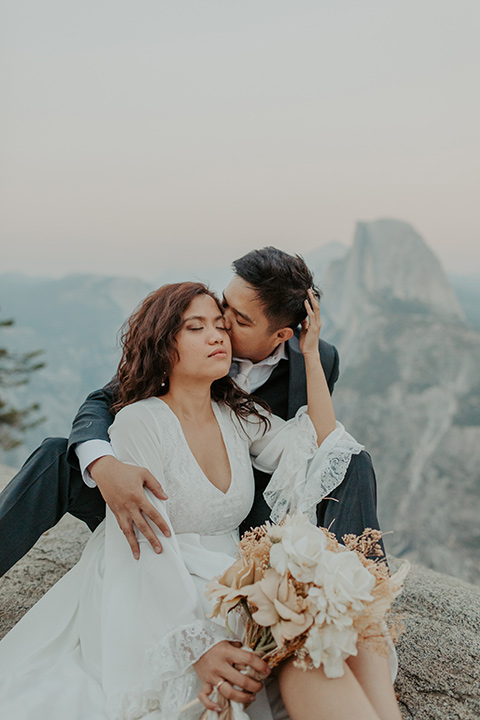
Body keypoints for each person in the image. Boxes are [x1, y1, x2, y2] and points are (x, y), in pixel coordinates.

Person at [0, 282, 401, 720]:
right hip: (165, 583)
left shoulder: (240, 414)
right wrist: (197, 645)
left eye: (222, 326)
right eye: (197, 327)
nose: (219, 334)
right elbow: (145, 549)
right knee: (297, 658)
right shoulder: (139, 422)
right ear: (163, 346)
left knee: (326, 641)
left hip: (234, 577)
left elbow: (322, 448)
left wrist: (308, 353)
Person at [0, 248, 382, 577]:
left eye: (239, 321)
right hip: (158, 493)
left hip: (243, 511)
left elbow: (319, 447)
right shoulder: (191, 339)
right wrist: (104, 466)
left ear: (282, 334)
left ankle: (358, 599)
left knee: (353, 461)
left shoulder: (316, 361)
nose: (222, 325)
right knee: (56, 455)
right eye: (225, 305)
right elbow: (103, 402)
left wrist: (312, 355)